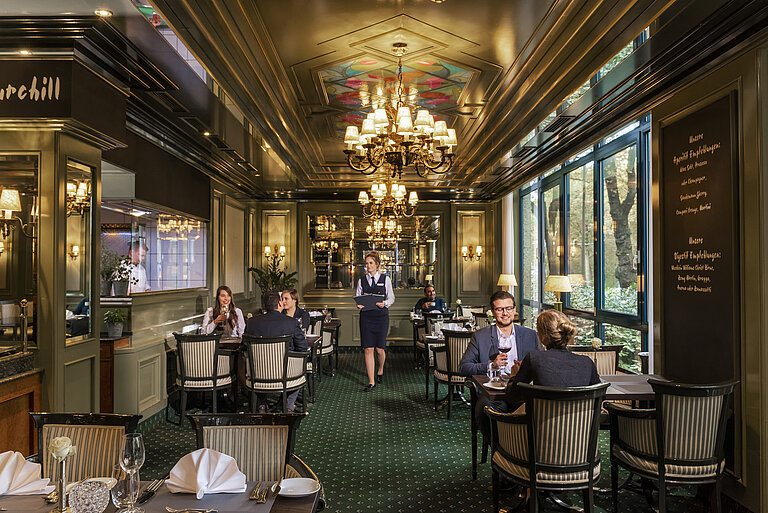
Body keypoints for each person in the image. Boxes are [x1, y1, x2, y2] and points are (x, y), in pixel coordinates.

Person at [504, 309, 600, 409]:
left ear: (543, 336)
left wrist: (514, 376)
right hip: (582, 419)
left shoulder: (534, 358)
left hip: (541, 419)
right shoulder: (587, 362)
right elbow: (599, 396)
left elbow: (513, 398)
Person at [245, 290, 307, 411]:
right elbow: (302, 347)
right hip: (286, 373)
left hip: (258, 373)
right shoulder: (291, 322)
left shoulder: (252, 323)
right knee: (300, 368)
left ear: (264, 305)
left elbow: (244, 345)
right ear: (279, 303)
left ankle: (262, 405)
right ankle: (288, 406)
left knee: (252, 364)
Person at [459, 290, 538, 377]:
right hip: (492, 384)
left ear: (514, 309)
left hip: (521, 384)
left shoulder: (530, 335)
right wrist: (491, 366)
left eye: (509, 308)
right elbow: (464, 368)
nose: (505, 313)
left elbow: (540, 365)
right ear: (493, 312)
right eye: (499, 309)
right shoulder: (480, 336)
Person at [355, 251, 395, 392]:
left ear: (377, 264)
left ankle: (380, 369)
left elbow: (391, 298)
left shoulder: (386, 279)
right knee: (368, 348)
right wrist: (358, 305)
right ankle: (371, 381)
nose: (368, 266)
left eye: (371, 263)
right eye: (366, 263)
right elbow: (358, 297)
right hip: (366, 317)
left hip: (381, 317)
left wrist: (385, 303)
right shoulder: (361, 280)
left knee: (379, 350)